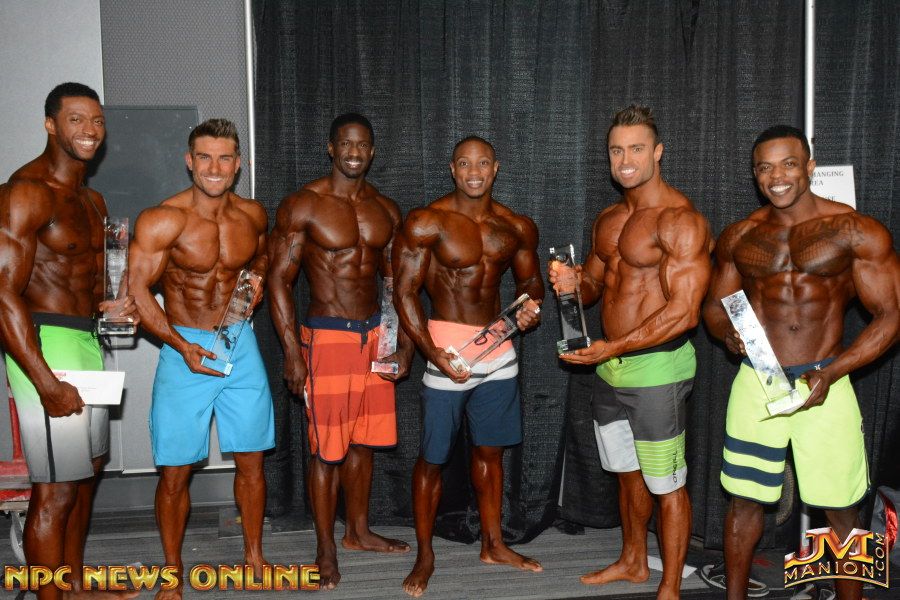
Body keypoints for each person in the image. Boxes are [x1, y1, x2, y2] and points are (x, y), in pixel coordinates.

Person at [702, 125, 899, 600]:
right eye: (765, 167)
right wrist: (727, 332)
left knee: (843, 509)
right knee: (744, 500)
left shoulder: (854, 229)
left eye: (789, 164)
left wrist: (832, 372)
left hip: (826, 378)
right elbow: (714, 306)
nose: (777, 177)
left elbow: (891, 315)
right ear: (755, 175)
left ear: (809, 167)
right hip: (758, 382)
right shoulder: (740, 235)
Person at [549, 105, 713, 599]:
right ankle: (633, 561)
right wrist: (572, 283)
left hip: (657, 369)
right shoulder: (609, 219)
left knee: (667, 484)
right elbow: (595, 288)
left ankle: (670, 588)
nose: (625, 160)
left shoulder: (681, 220)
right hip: (610, 370)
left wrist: (611, 347)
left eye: (637, 149)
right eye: (617, 150)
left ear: (658, 152)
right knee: (625, 473)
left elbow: (684, 313)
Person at [0, 82, 138, 600]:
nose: (89, 130)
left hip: (88, 340)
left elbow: (88, 281)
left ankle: (73, 586)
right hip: (46, 342)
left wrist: (116, 304)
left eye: (97, 121)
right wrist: (45, 382)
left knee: (85, 476)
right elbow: (3, 293)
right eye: (76, 119)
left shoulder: (93, 200)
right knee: (55, 489)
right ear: (50, 124)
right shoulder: (25, 191)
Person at [128, 118, 274, 600]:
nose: (215, 167)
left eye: (224, 158)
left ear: (238, 165)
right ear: (189, 161)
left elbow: (262, 257)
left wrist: (255, 281)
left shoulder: (252, 215)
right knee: (174, 471)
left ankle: (254, 557)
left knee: (252, 460)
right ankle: (172, 573)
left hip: (238, 339)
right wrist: (178, 343)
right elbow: (138, 290)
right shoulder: (163, 219)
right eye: (205, 157)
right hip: (182, 342)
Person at [267, 113, 413, 589]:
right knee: (327, 450)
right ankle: (325, 547)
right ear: (331, 148)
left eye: (362, 144)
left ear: (373, 151)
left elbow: (396, 284)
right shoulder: (303, 204)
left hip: (375, 336)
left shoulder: (385, 210)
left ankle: (358, 531)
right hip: (327, 337)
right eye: (346, 143)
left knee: (363, 441)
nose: (354, 152)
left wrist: (403, 342)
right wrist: (292, 352)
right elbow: (278, 281)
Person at [395, 135, 545, 597]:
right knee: (433, 459)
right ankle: (425, 555)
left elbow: (531, 285)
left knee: (490, 454)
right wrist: (429, 351)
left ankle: (493, 544)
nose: (474, 172)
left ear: (495, 169)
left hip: (498, 353)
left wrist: (528, 308)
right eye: (465, 163)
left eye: (482, 164)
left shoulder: (516, 226)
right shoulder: (427, 221)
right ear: (452, 168)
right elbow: (404, 292)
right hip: (446, 351)